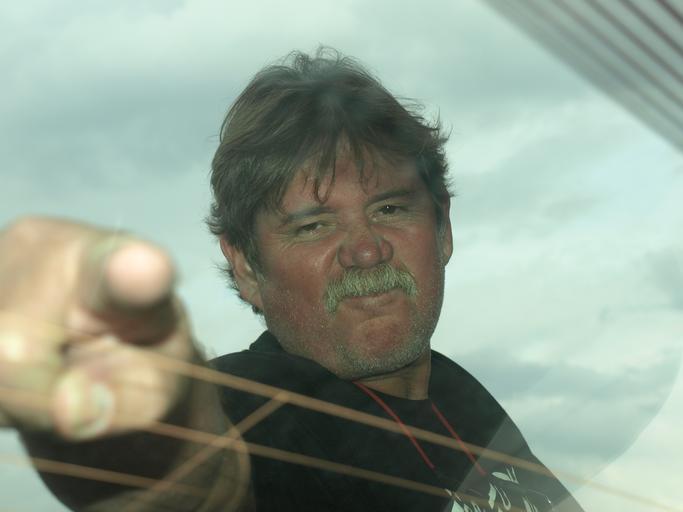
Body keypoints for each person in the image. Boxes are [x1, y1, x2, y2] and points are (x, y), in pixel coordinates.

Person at [0, 48, 585, 511]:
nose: (365, 249)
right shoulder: (258, 409)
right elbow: (187, 472)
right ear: (246, 267)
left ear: (444, 230)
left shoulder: (465, 404)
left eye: (389, 208)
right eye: (313, 225)